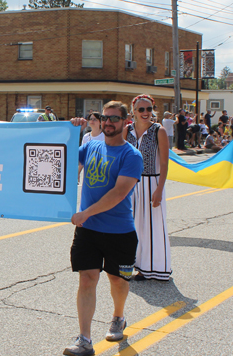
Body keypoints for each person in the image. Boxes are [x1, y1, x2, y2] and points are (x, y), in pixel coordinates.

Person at [63, 101, 143, 356]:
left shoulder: (131, 155)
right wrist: (69, 132)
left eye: (114, 119)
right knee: (87, 278)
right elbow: (62, 163)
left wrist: (85, 212)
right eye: (105, 118)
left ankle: (118, 316)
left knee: (117, 281)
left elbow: (119, 193)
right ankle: (84, 339)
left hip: (119, 231)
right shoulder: (90, 146)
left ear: (125, 122)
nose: (108, 123)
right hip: (89, 230)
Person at [125, 94, 171, 282]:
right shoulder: (126, 130)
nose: (146, 113)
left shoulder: (158, 130)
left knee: (152, 226)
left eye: (149, 109)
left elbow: (165, 163)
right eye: (141, 109)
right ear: (133, 112)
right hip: (130, 183)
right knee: (132, 225)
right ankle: (135, 265)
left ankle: (155, 268)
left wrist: (159, 189)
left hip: (152, 183)